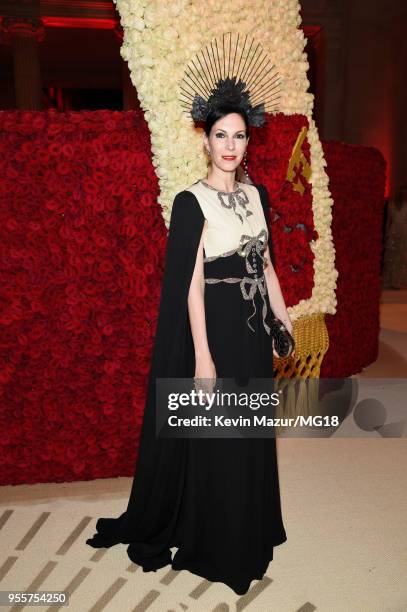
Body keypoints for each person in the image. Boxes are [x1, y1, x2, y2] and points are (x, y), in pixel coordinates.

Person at [86, 38, 294, 596]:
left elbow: (268, 265)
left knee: (251, 434)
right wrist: (202, 355)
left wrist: (284, 317)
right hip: (219, 331)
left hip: (254, 333)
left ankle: (251, 525)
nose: (230, 145)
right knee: (220, 438)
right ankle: (216, 540)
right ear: (206, 139)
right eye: (221, 134)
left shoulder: (258, 196)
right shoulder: (190, 202)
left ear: (250, 141)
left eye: (240, 135)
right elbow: (191, 287)